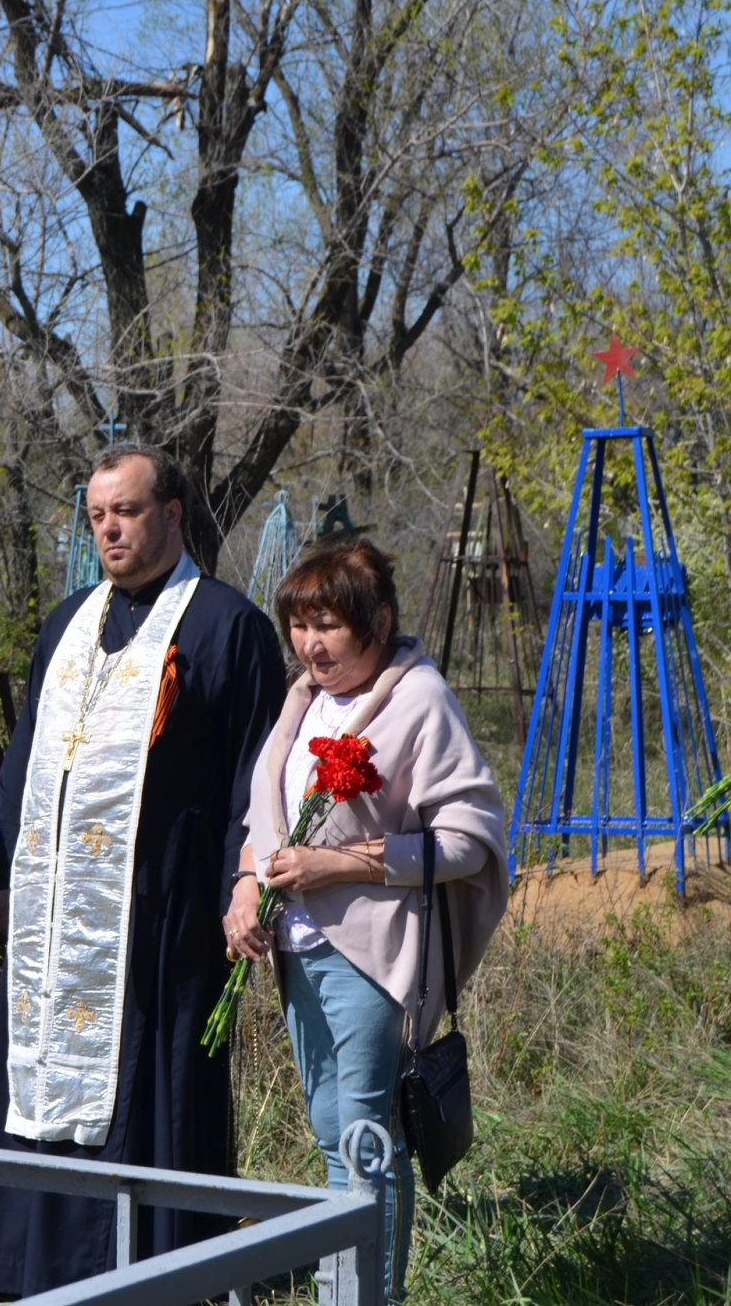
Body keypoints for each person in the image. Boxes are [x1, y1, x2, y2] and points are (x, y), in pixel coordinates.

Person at [0, 443, 287, 1296]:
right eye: (97, 515)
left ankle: (151, 1265)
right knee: (33, 1073)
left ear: (172, 515)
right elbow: (22, 765)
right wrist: (5, 881)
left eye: (126, 512)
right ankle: (17, 1259)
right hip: (55, 913)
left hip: (161, 911)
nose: (109, 530)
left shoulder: (227, 625)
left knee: (153, 1081)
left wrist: (240, 887)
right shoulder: (68, 622)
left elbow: (258, 772)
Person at [225, 540, 507, 1301]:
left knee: (365, 1143)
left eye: (329, 626)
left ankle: (361, 1296)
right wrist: (248, 888)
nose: (311, 644)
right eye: (300, 624)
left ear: (378, 621)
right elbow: (267, 815)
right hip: (297, 949)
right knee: (337, 1139)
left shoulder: (419, 699)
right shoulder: (302, 699)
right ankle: (348, 1292)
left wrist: (341, 864)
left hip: (371, 957)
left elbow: (469, 839)